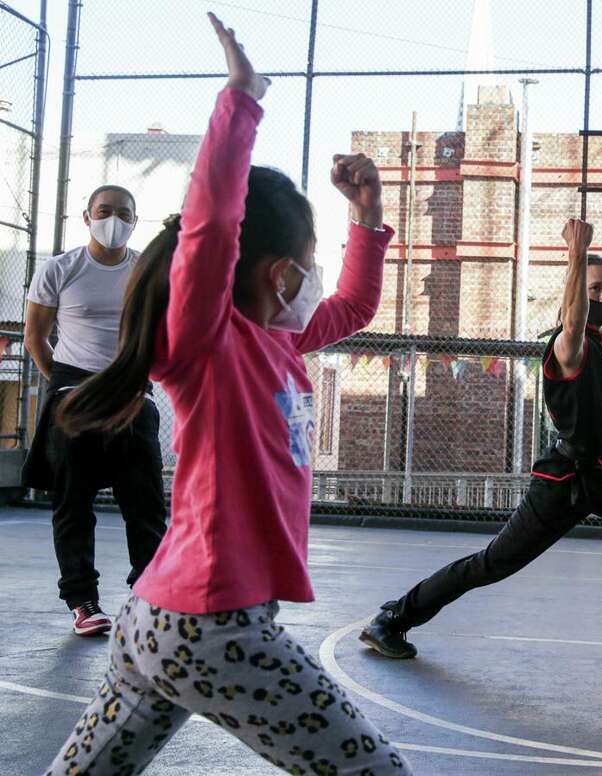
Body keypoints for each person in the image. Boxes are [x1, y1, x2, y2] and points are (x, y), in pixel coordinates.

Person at [45, 14, 413, 775]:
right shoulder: (206, 345)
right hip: (213, 624)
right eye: (309, 264)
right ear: (278, 271)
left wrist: (367, 222)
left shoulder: (278, 345)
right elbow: (211, 228)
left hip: (159, 618)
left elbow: (353, 308)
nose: (315, 281)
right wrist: (240, 101)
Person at [359, 181, 602, 670]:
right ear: (577, 297)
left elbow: (601, 274)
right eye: (595, 292)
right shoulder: (569, 347)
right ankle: (393, 619)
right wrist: (576, 252)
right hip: (565, 482)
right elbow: (577, 308)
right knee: (493, 564)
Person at [23, 180, 168, 637]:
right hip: (74, 389)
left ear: (134, 221)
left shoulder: (147, 269)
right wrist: (65, 386)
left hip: (130, 390)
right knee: (72, 502)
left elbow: (165, 332)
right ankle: (83, 601)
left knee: (144, 503)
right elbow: (35, 336)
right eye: (105, 211)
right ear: (87, 217)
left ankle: (152, 595)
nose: (114, 221)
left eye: (125, 214)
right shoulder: (59, 268)